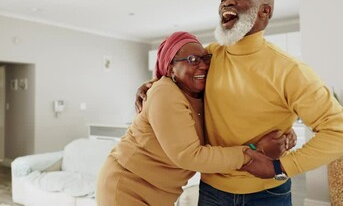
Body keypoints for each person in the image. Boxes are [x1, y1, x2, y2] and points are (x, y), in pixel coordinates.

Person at [136, 0, 343, 206]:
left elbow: (337, 131)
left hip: (267, 194)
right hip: (212, 190)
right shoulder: (211, 56)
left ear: (265, 11)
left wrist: (282, 166)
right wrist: (153, 84)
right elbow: (179, 66)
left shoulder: (290, 70)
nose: (227, 3)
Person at [96, 31, 292, 206]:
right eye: (191, 59)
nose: (203, 65)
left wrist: (283, 130)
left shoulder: (204, 94)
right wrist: (251, 153)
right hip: (128, 186)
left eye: (205, 58)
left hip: (161, 191)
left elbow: (235, 118)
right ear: (170, 68)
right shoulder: (164, 92)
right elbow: (189, 155)